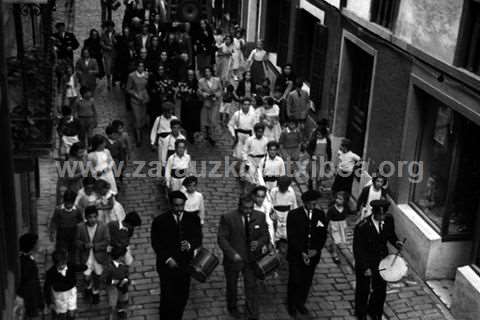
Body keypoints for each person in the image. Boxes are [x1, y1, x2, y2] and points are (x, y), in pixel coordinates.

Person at [151, 190, 202, 320]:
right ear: (170, 205)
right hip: (166, 266)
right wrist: (168, 259)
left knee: (183, 295)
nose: (179, 209)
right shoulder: (160, 221)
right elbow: (156, 243)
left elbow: (198, 238)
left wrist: (190, 245)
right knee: (167, 296)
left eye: (181, 206)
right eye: (176, 206)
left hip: (185, 264)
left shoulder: (193, 219)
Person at [217, 194, 270, 320]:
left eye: (251, 208)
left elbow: (265, 235)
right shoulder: (228, 218)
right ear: (239, 206)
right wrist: (232, 254)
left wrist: (259, 243)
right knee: (232, 286)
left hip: (251, 259)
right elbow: (222, 239)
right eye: (246, 208)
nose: (248, 211)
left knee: (251, 286)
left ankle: (251, 312)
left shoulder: (260, 216)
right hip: (233, 260)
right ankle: (232, 307)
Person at [353, 199, 403, 320]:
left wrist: (396, 242)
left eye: (383, 214)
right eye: (379, 215)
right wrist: (365, 267)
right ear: (374, 213)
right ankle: (361, 313)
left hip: (382, 261)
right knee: (363, 289)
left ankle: (375, 311)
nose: (382, 217)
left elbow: (390, 234)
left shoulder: (388, 220)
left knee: (380, 289)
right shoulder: (363, 226)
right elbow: (358, 250)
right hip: (366, 261)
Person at [286, 190, 328, 317]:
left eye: (314, 204)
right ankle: (291, 304)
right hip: (297, 255)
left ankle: (300, 303)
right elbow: (291, 237)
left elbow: (323, 234)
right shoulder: (293, 215)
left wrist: (316, 250)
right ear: (305, 203)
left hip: (313, 256)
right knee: (295, 280)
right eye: (310, 204)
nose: (313, 206)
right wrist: (302, 252)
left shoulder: (320, 214)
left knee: (306, 281)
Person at [75, 205, 110, 305]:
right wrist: (84, 245)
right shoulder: (80, 227)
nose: (93, 219)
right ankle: (88, 288)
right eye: (90, 217)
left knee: (97, 276)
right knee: (86, 276)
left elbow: (107, 241)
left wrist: (95, 246)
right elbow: (76, 241)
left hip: (98, 257)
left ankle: (96, 292)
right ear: (86, 217)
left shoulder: (103, 227)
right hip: (86, 257)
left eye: (95, 217)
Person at [43, 249, 86, 320]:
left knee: (72, 312)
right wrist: (49, 302)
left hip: (71, 292)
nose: (63, 266)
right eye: (60, 264)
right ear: (55, 263)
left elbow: (79, 267)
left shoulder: (70, 265)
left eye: (64, 263)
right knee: (62, 315)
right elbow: (46, 287)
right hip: (59, 295)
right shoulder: (51, 272)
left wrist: (84, 266)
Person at [49, 190, 84, 262]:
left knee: (73, 250)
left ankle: (71, 264)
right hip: (62, 233)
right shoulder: (58, 210)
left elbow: (81, 222)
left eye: (70, 203)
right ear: (64, 201)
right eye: (67, 203)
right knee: (61, 250)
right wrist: (52, 232)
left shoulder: (77, 210)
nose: (69, 205)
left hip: (73, 232)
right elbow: (54, 221)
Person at [17, 233, 45, 319]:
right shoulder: (27, 264)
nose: (39, 245)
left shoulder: (27, 259)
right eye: (37, 243)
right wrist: (37, 305)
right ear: (32, 246)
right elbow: (31, 287)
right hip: (30, 304)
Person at [270, 176, 298, 254]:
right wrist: (272, 213)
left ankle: (288, 247)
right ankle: (275, 246)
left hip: (287, 213)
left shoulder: (291, 191)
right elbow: (270, 204)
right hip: (276, 213)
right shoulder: (274, 191)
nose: (282, 188)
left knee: (287, 231)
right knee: (275, 231)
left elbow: (294, 204)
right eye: (281, 187)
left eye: (284, 187)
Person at [127, 61, 150, 146]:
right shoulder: (131, 76)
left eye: (142, 66)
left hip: (144, 100)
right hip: (135, 101)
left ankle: (141, 134)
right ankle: (138, 138)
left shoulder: (147, 75)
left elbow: (148, 86)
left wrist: (146, 96)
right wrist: (136, 95)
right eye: (139, 66)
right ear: (136, 67)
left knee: (143, 118)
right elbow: (128, 89)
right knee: (137, 118)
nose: (141, 68)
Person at [104, 247, 131, 320]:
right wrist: (114, 281)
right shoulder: (109, 267)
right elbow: (104, 279)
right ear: (120, 257)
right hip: (112, 288)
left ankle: (121, 310)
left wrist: (126, 280)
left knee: (122, 300)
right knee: (112, 304)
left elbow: (127, 275)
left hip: (122, 287)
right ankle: (111, 316)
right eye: (123, 256)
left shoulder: (124, 266)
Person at [198, 66, 223, 146]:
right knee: (206, 120)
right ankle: (207, 135)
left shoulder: (217, 80)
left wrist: (216, 95)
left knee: (213, 120)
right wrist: (203, 94)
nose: (207, 73)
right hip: (207, 103)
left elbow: (220, 90)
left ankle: (213, 137)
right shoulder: (201, 81)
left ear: (211, 72)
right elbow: (199, 91)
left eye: (208, 71)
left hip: (215, 103)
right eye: (205, 72)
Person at [150, 102, 178, 171]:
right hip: (162, 141)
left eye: (171, 112)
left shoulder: (174, 118)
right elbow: (154, 131)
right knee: (162, 158)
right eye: (168, 113)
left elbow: (178, 130)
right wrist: (152, 142)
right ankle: (162, 174)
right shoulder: (159, 119)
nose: (170, 114)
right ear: (164, 112)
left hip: (172, 141)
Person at [178, 69, 201, 142]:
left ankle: (193, 134)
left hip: (194, 105)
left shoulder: (196, 82)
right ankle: (189, 135)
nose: (190, 76)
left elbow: (198, 93)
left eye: (192, 75)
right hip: (186, 105)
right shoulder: (183, 82)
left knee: (194, 121)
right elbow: (180, 94)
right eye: (189, 75)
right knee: (187, 121)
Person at [307, 126, 332, 191]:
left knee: (320, 175)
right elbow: (309, 149)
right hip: (314, 160)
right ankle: (311, 187)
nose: (318, 136)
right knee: (313, 174)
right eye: (317, 134)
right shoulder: (314, 140)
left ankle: (317, 188)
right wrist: (312, 155)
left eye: (320, 134)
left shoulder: (327, 140)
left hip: (322, 160)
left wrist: (329, 160)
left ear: (324, 134)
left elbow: (329, 151)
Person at [327, 191, 349, 264]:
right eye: (337, 198)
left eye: (340, 199)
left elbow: (347, 215)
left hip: (342, 225)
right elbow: (327, 218)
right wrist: (327, 226)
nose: (338, 200)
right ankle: (335, 253)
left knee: (340, 239)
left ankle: (331, 246)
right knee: (335, 240)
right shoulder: (332, 209)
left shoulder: (345, 208)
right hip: (334, 225)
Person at [101, 21, 117, 90]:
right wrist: (106, 47)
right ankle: (108, 83)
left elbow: (119, 43)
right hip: (107, 53)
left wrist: (115, 41)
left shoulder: (116, 34)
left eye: (111, 27)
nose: (110, 28)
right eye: (109, 27)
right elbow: (101, 42)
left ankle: (113, 80)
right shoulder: (104, 34)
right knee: (108, 68)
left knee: (113, 67)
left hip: (114, 53)